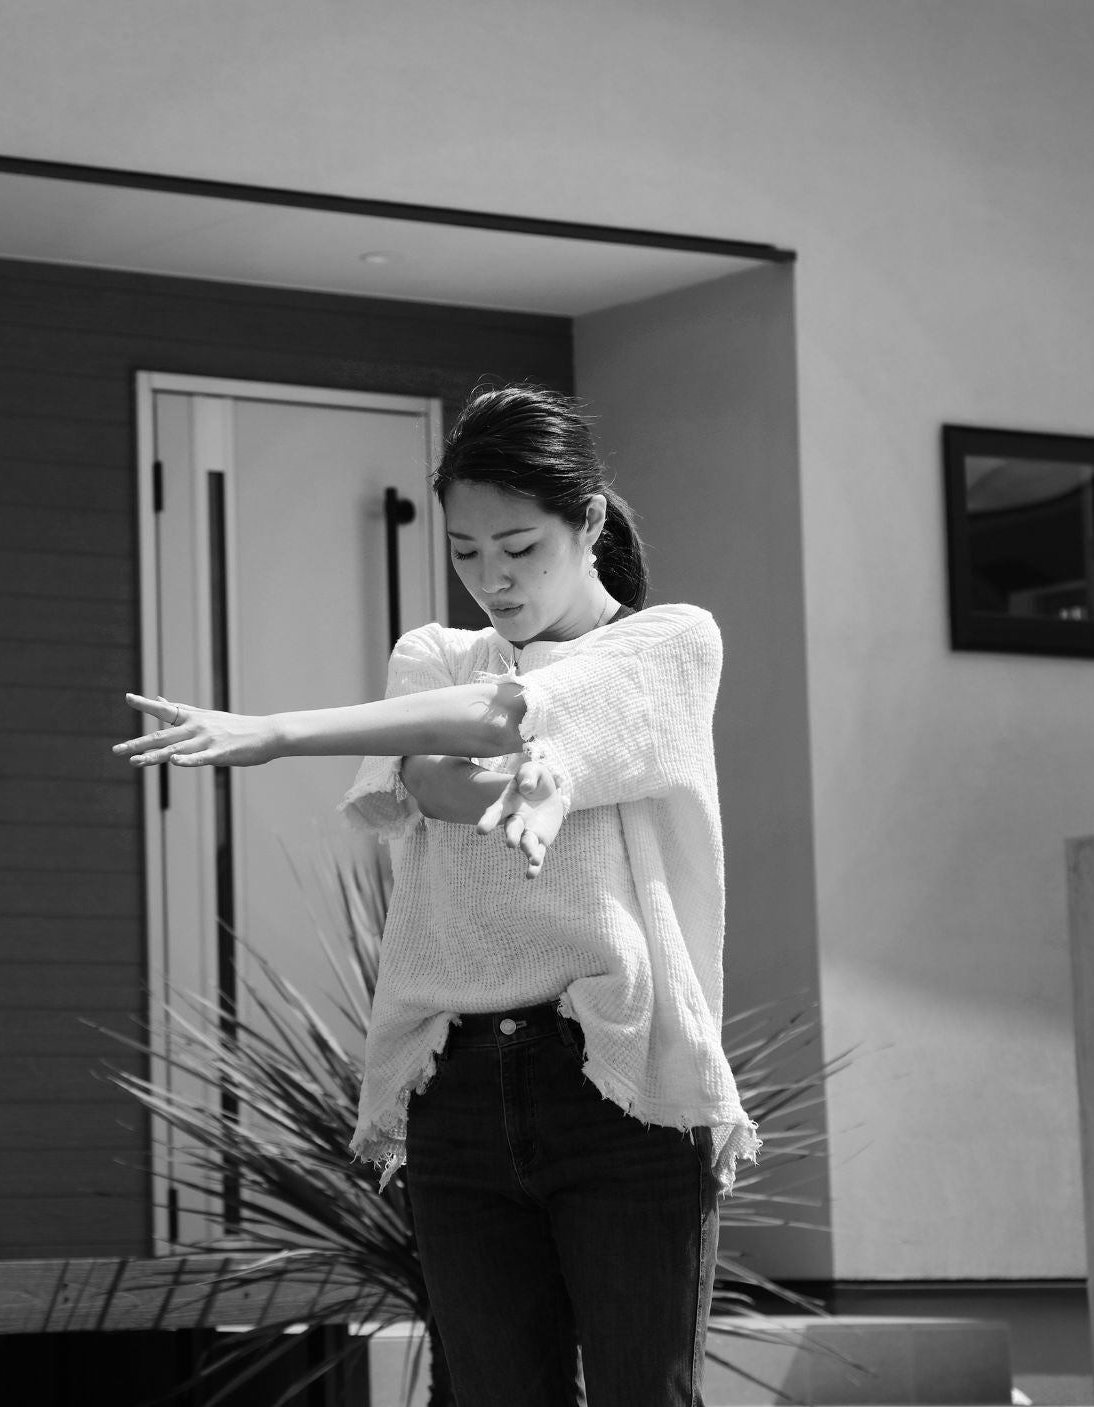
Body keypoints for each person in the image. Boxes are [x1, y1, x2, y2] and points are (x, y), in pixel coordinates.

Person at [114, 384, 755, 1407]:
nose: (491, 577)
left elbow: (505, 713)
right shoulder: (435, 654)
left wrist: (275, 730)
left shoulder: (668, 645)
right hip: (454, 1090)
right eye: (464, 550)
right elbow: (432, 780)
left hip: (620, 1079)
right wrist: (520, 780)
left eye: (518, 546)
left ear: (588, 521)